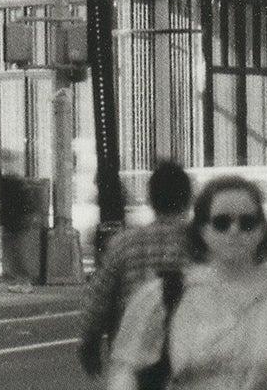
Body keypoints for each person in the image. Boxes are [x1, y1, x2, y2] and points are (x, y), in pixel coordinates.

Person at [106, 173, 267, 390]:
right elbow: (126, 370)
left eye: (247, 222)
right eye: (222, 222)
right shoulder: (164, 297)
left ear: (261, 229)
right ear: (202, 229)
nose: (235, 231)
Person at [78, 160, 193, 377]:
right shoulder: (201, 245)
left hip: (134, 357)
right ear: (188, 199)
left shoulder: (124, 244)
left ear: (150, 199)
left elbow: (98, 299)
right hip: (191, 354)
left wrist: (89, 343)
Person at [0, 154, 35, 291]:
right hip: (12, 222)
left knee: (18, 254)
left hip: (15, 223)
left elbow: (19, 203)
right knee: (14, 254)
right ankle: (20, 281)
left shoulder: (13, 181)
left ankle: (25, 282)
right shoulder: (10, 180)